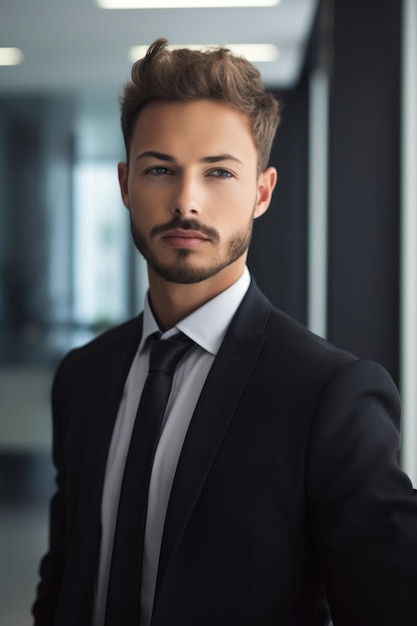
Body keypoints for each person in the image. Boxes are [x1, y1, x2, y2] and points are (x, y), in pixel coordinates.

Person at [32, 38, 417, 626]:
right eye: (160, 169)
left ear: (261, 192)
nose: (186, 202)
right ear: (124, 184)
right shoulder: (83, 376)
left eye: (218, 172)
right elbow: (64, 579)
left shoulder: (330, 393)